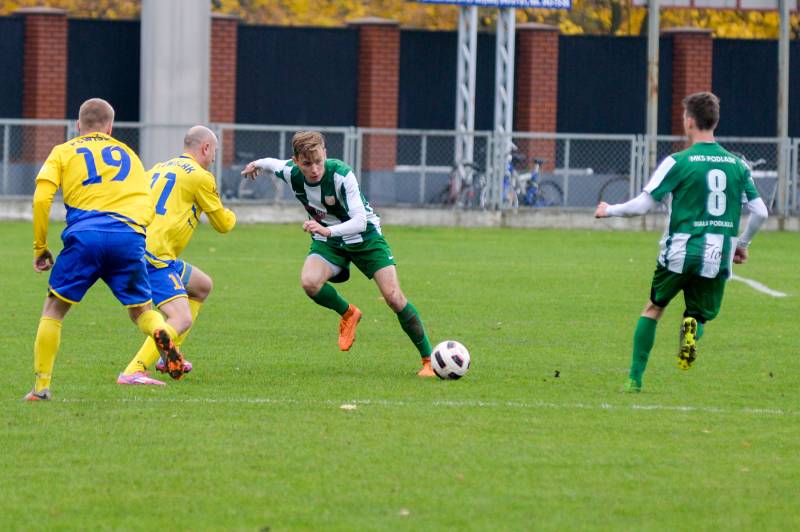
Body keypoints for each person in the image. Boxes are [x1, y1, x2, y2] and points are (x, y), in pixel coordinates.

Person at [595, 92, 769, 393]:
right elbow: (761, 212)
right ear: (715, 121)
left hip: (679, 250)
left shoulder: (678, 161)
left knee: (654, 308)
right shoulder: (738, 166)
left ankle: (634, 380)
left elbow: (642, 206)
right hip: (718, 253)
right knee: (698, 314)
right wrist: (743, 244)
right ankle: (692, 328)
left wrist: (608, 210)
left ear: (689, 121)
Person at [26, 98, 185, 401]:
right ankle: (160, 331)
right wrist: (135, 232)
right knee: (141, 312)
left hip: (85, 236)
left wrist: (40, 247)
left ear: (78, 125)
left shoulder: (63, 151)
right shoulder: (129, 154)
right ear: (110, 127)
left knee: (54, 310)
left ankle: (41, 388)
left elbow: (41, 199)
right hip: (127, 236)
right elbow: (148, 203)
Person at [241, 131, 436, 376]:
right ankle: (349, 313)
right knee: (309, 283)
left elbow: (360, 221)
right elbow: (272, 163)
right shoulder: (291, 172)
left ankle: (429, 360)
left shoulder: (342, 175)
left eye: (318, 161)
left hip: (365, 238)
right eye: (307, 163)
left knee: (394, 297)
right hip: (329, 240)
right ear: (296, 161)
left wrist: (328, 230)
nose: (314, 169)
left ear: (325, 154)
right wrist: (256, 164)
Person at [117, 126, 237, 385]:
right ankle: (134, 370)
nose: (214, 158)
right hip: (154, 255)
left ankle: (169, 355)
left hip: (136, 246)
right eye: (214, 151)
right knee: (181, 318)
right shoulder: (201, 177)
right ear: (205, 148)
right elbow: (223, 224)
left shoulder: (158, 168)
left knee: (202, 286)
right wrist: (233, 214)